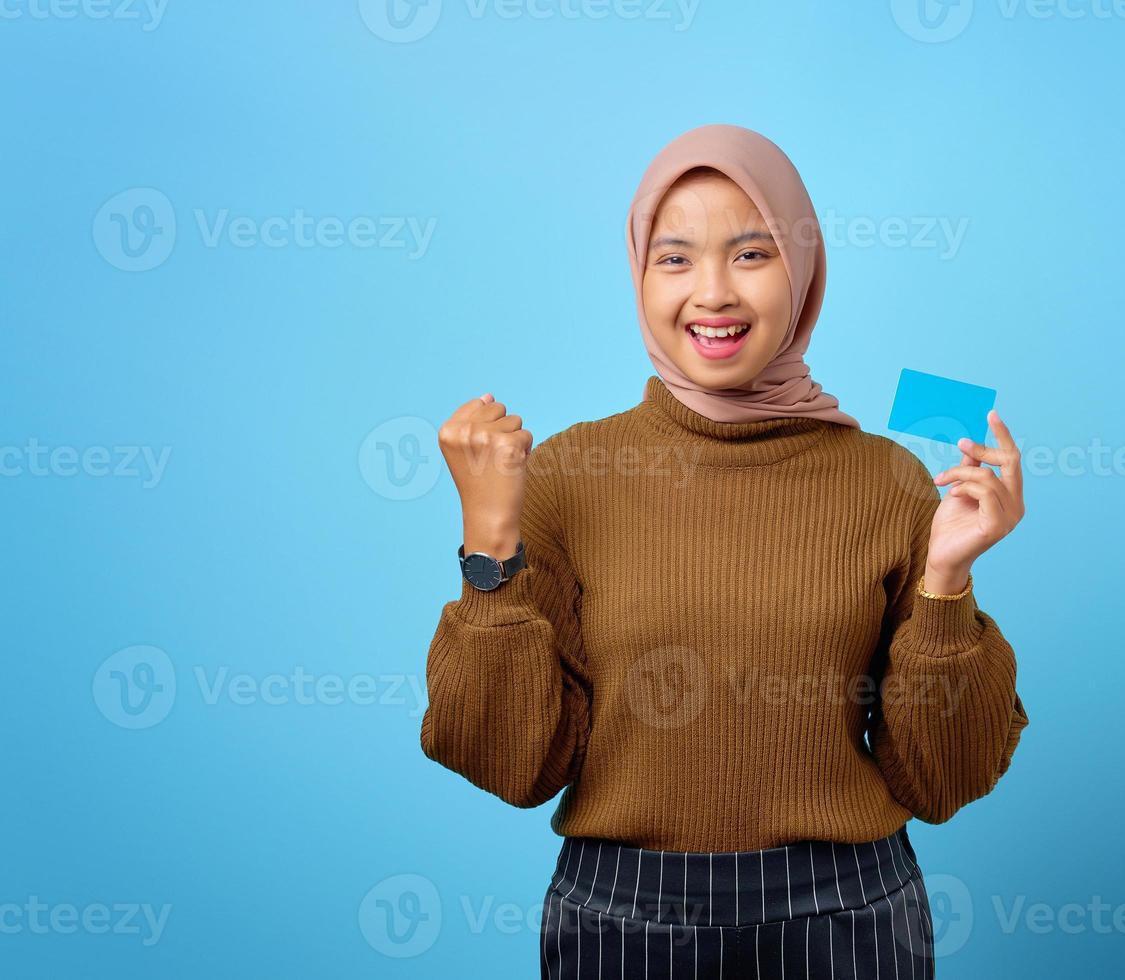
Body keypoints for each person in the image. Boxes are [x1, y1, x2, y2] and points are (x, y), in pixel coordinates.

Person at [421, 123, 1029, 979]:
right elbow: (512, 764)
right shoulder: (565, 474)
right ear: (637, 275)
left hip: (844, 918)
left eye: (751, 254)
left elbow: (944, 780)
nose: (712, 294)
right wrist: (489, 543)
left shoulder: (888, 479)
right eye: (674, 259)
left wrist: (947, 580)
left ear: (803, 273)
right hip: (621, 924)